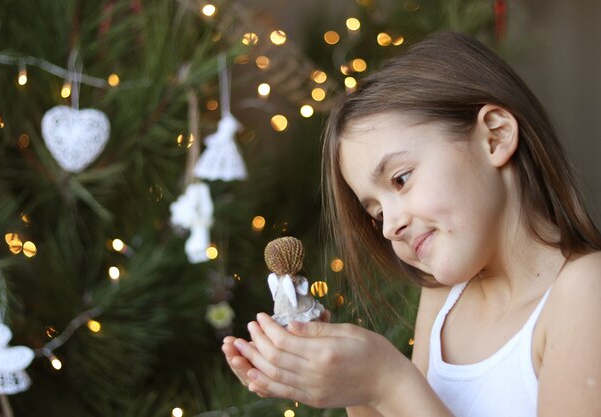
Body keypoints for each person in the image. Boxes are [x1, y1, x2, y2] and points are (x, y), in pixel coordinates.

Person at [222, 31, 601, 416]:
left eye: (400, 179)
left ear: (495, 137)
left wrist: (388, 382)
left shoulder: (585, 290)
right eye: (378, 214)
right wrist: (354, 385)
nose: (388, 229)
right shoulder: (445, 299)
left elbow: (399, 394)